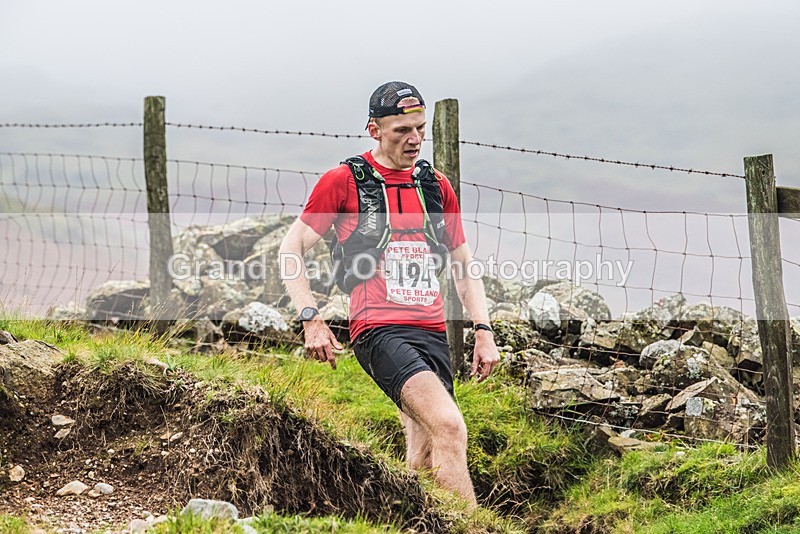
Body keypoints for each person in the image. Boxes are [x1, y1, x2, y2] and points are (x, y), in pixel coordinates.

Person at [279, 81, 500, 506]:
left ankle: (412, 522)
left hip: (432, 333)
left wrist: (483, 330)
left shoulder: (435, 186)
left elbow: (463, 264)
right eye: (402, 130)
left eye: (420, 129)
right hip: (379, 330)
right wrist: (311, 318)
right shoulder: (344, 181)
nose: (414, 139)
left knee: (424, 453)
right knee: (450, 426)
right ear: (374, 130)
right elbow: (291, 248)